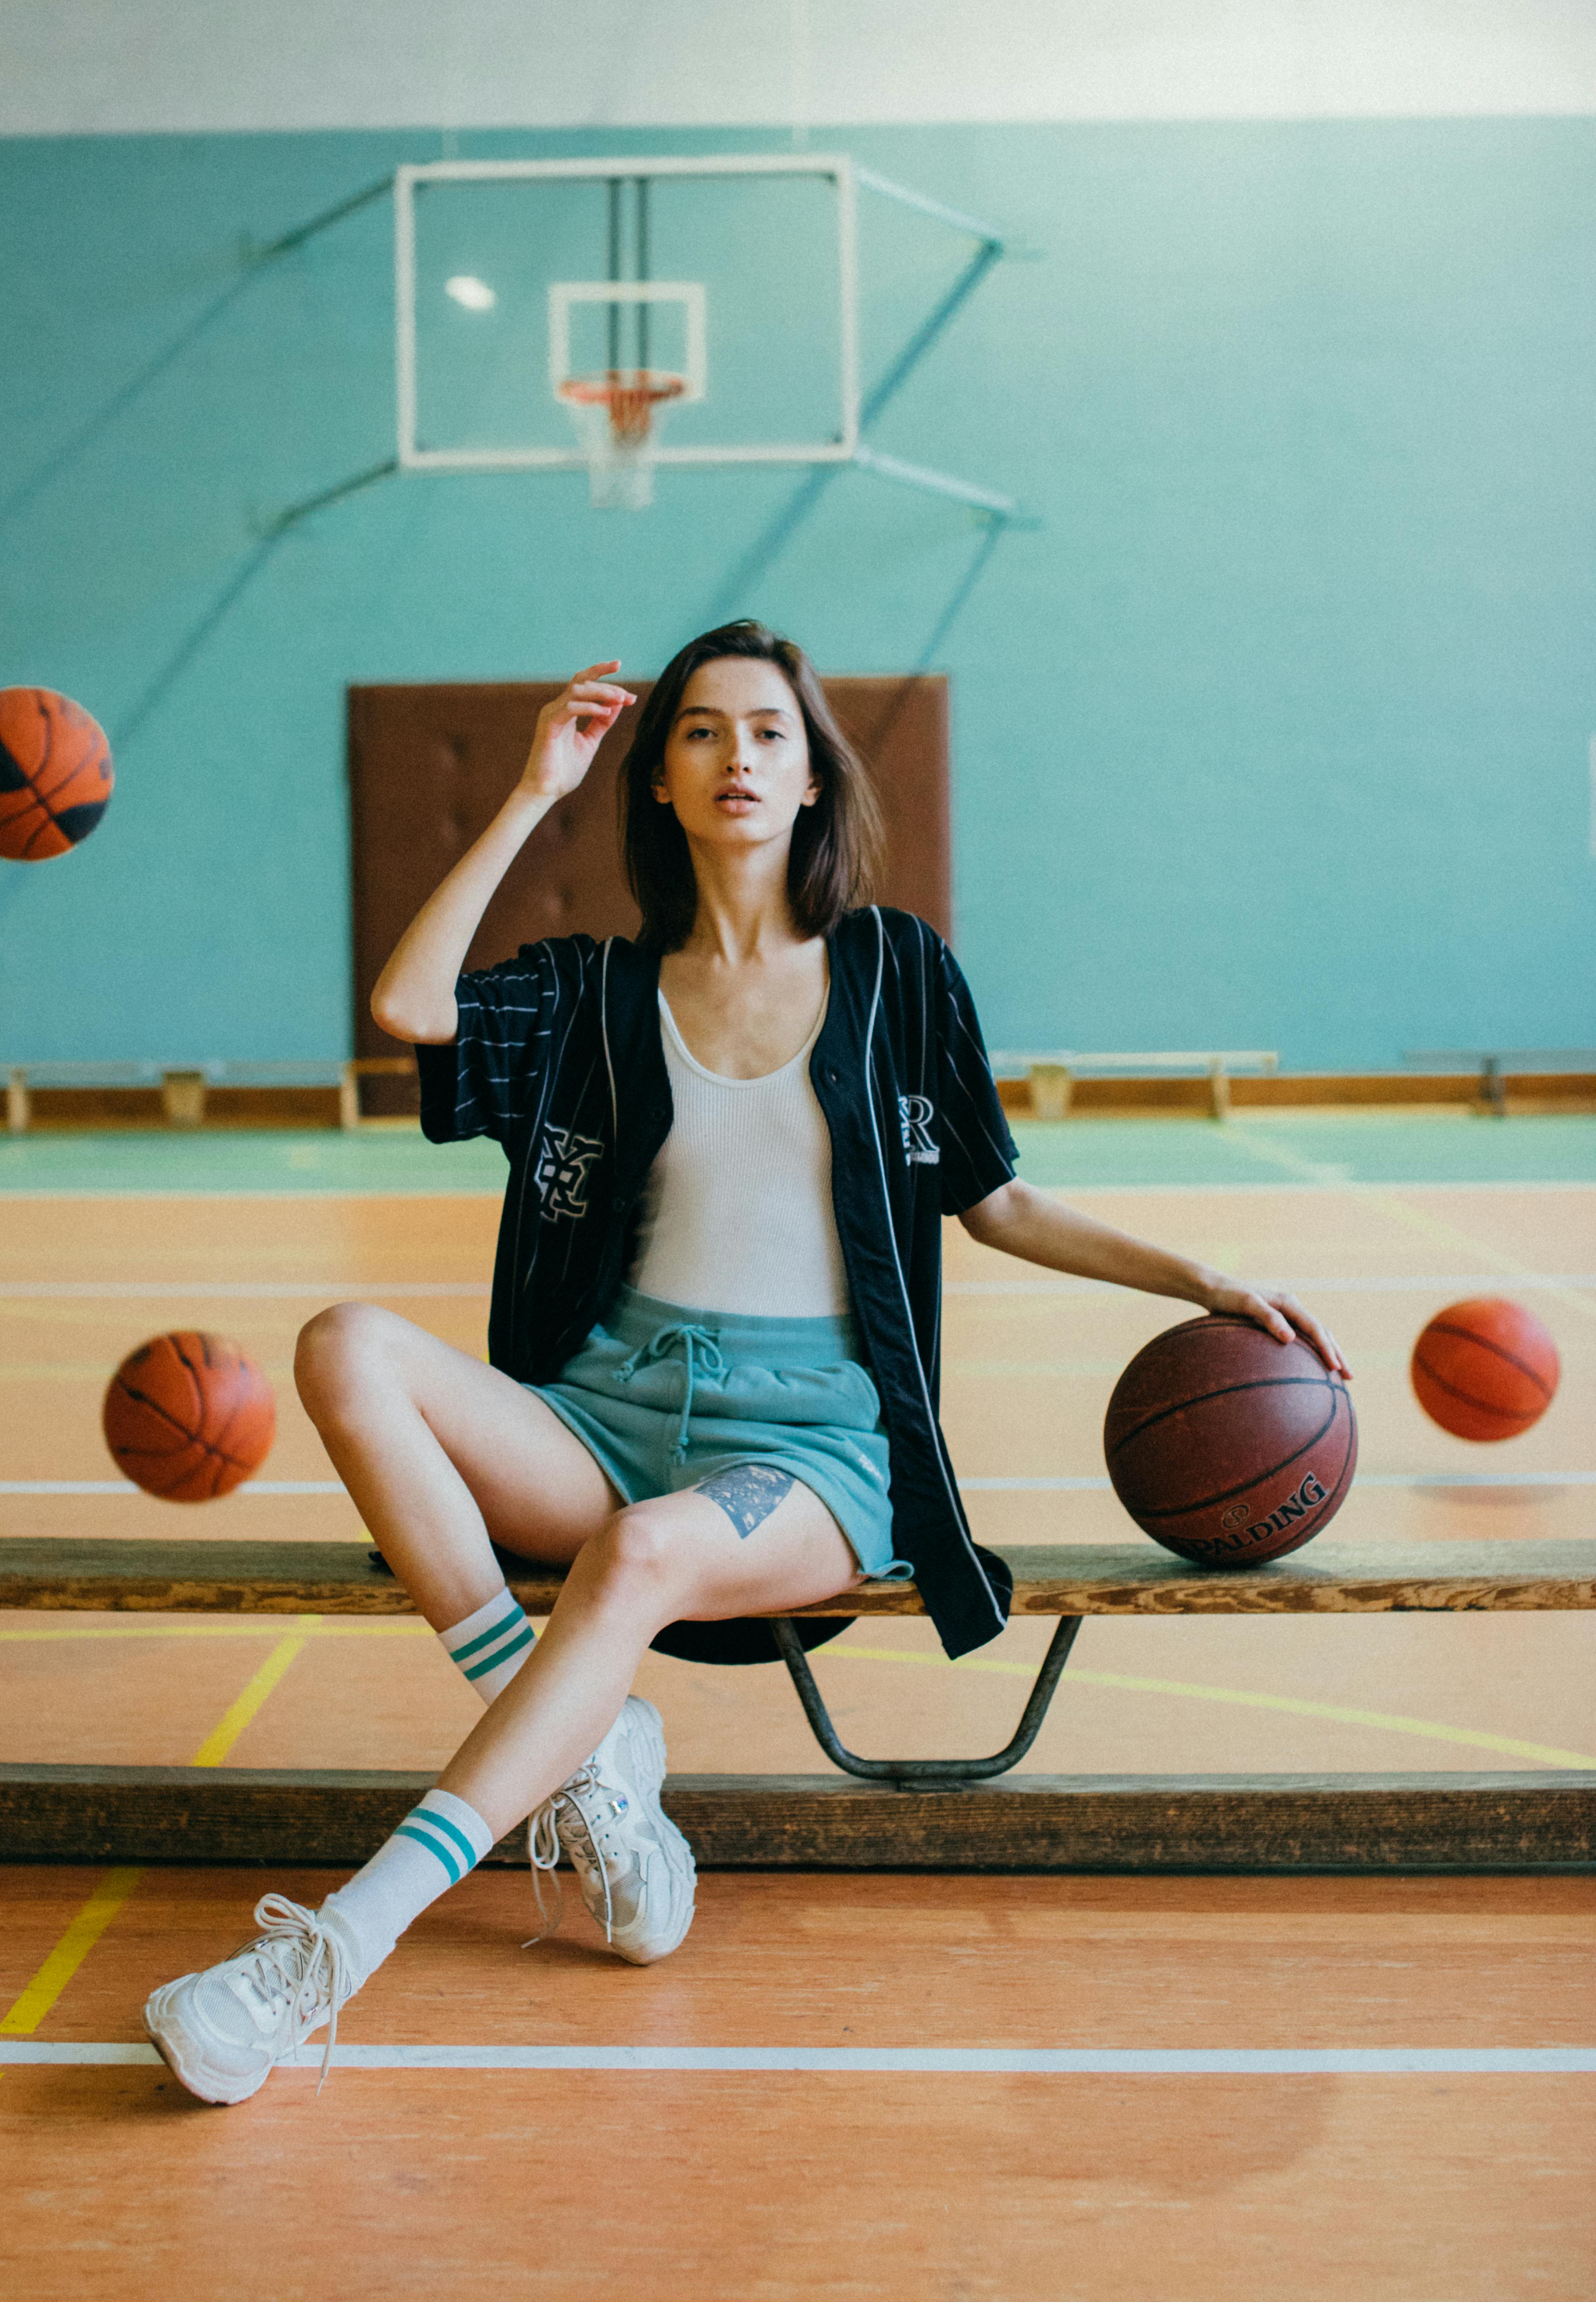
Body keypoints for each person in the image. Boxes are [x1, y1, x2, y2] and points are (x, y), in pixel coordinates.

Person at [145, 619, 1348, 2104]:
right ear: (656, 780)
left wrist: (1204, 1276)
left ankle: (329, 1955)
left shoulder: (902, 974)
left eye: (771, 733)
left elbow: (999, 1200)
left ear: (813, 778)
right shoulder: (598, 991)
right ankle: (590, 1759)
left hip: (823, 1448)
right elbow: (407, 1011)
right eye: (703, 732)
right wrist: (532, 789)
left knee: (645, 1556)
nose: (739, 758)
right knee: (347, 1348)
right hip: (610, 1407)